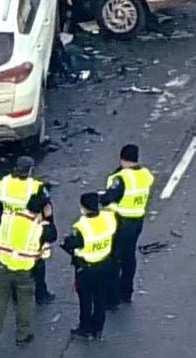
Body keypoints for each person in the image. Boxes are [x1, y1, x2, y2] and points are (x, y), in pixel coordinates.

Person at [0, 175, 54, 347]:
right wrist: (49, 218)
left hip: (3, 265)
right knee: (24, 304)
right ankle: (22, 336)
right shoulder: (40, 227)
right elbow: (48, 243)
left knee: (1, 299)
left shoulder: (9, 218)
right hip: (25, 270)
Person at [0, 157, 56, 305]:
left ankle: (15, 294)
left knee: (10, 260)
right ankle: (41, 294)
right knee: (37, 261)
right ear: (30, 170)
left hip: (8, 229)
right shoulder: (36, 187)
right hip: (32, 230)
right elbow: (46, 209)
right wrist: (50, 228)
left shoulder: (4, 184)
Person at [100, 143, 155, 307]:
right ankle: (127, 292)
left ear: (122, 158)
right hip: (137, 220)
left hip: (121, 221)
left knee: (115, 258)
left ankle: (113, 297)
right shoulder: (145, 174)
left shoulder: (122, 178)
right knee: (129, 257)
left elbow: (108, 198)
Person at [59, 192, 117, 341]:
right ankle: (98, 328)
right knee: (100, 299)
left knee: (85, 300)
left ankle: (85, 329)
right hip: (105, 265)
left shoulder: (82, 227)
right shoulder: (108, 218)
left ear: (83, 208)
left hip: (87, 269)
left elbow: (70, 244)